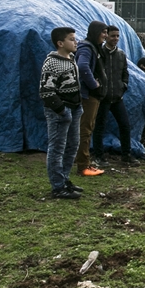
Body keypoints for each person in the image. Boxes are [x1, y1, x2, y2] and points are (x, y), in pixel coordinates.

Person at [39, 26, 84, 199]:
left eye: (75, 38)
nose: (76, 42)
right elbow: (46, 91)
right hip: (60, 111)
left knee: (72, 146)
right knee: (57, 148)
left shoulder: (71, 58)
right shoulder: (52, 62)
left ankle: (64, 179)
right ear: (60, 43)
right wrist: (61, 111)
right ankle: (57, 186)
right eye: (71, 39)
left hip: (75, 108)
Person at [92, 25, 134, 167]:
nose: (115, 39)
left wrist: (124, 86)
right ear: (106, 37)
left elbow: (125, 73)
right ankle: (99, 156)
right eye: (112, 36)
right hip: (102, 98)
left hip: (117, 98)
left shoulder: (121, 54)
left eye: (117, 36)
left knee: (125, 126)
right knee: (99, 127)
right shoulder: (99, 53)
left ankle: (126, 155)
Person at [74, 21, 108, 176]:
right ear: (95, 32)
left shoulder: (94, 47)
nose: (105, 35)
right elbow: (82, 67)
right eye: (103, 32)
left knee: (87, 128)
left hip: (93, 96)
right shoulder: (87, 47)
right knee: (85, 130)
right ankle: (83, 165)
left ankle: (82, 160)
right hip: (88, 96)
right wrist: (94, 84)